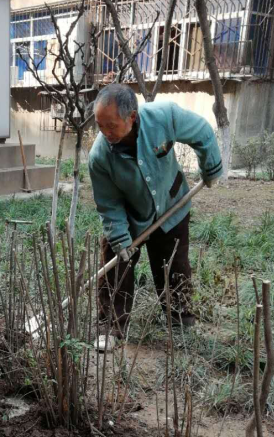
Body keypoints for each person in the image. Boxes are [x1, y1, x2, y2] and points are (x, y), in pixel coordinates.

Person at [89, 84, 222, 349]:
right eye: (100, 125)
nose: (105, 132)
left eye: (111, 125)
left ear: (132, 117)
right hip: (129, 214)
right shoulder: (99, 156)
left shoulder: (164, 117)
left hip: (171, 204)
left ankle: (180, 320)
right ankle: (111, 326)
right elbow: (108, 203)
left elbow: (203, 133)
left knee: (174, 264)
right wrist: (120, 238)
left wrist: (211, 168)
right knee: (116, 265)